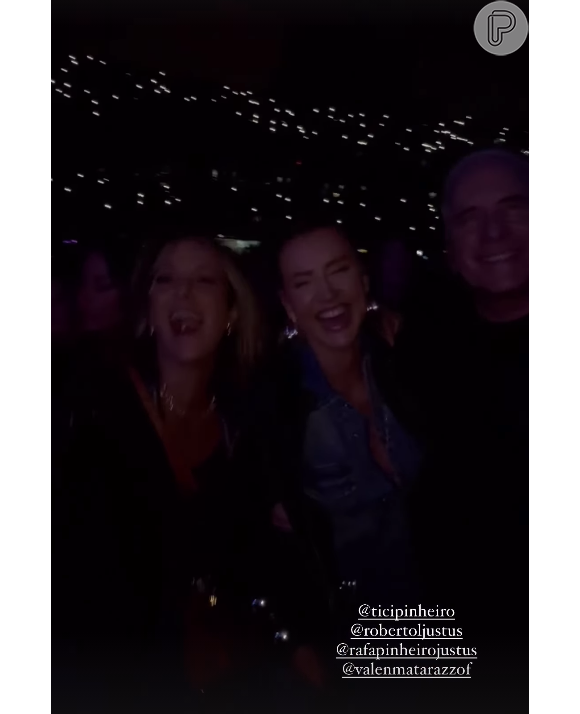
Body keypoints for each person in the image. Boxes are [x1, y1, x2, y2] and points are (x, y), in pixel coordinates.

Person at [52, 232, 323, 713]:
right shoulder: (90, 405)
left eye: (204, 281)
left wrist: (294, 642)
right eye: (166, 280)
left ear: (232, 312)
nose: (183, 294)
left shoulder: (244, 423)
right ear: (147, 307)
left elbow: (253, 560)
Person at [265, 219, 424, 611]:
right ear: (288, 304)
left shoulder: (405, 364)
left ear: (363, 280)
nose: (328, 294)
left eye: (339, 271)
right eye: (304, 283)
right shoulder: (275, 403)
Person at [411, 150, 529, 644]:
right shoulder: (426, 348)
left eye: (513, 208)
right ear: (450, 248)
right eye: (469, 218)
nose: (494, 233)